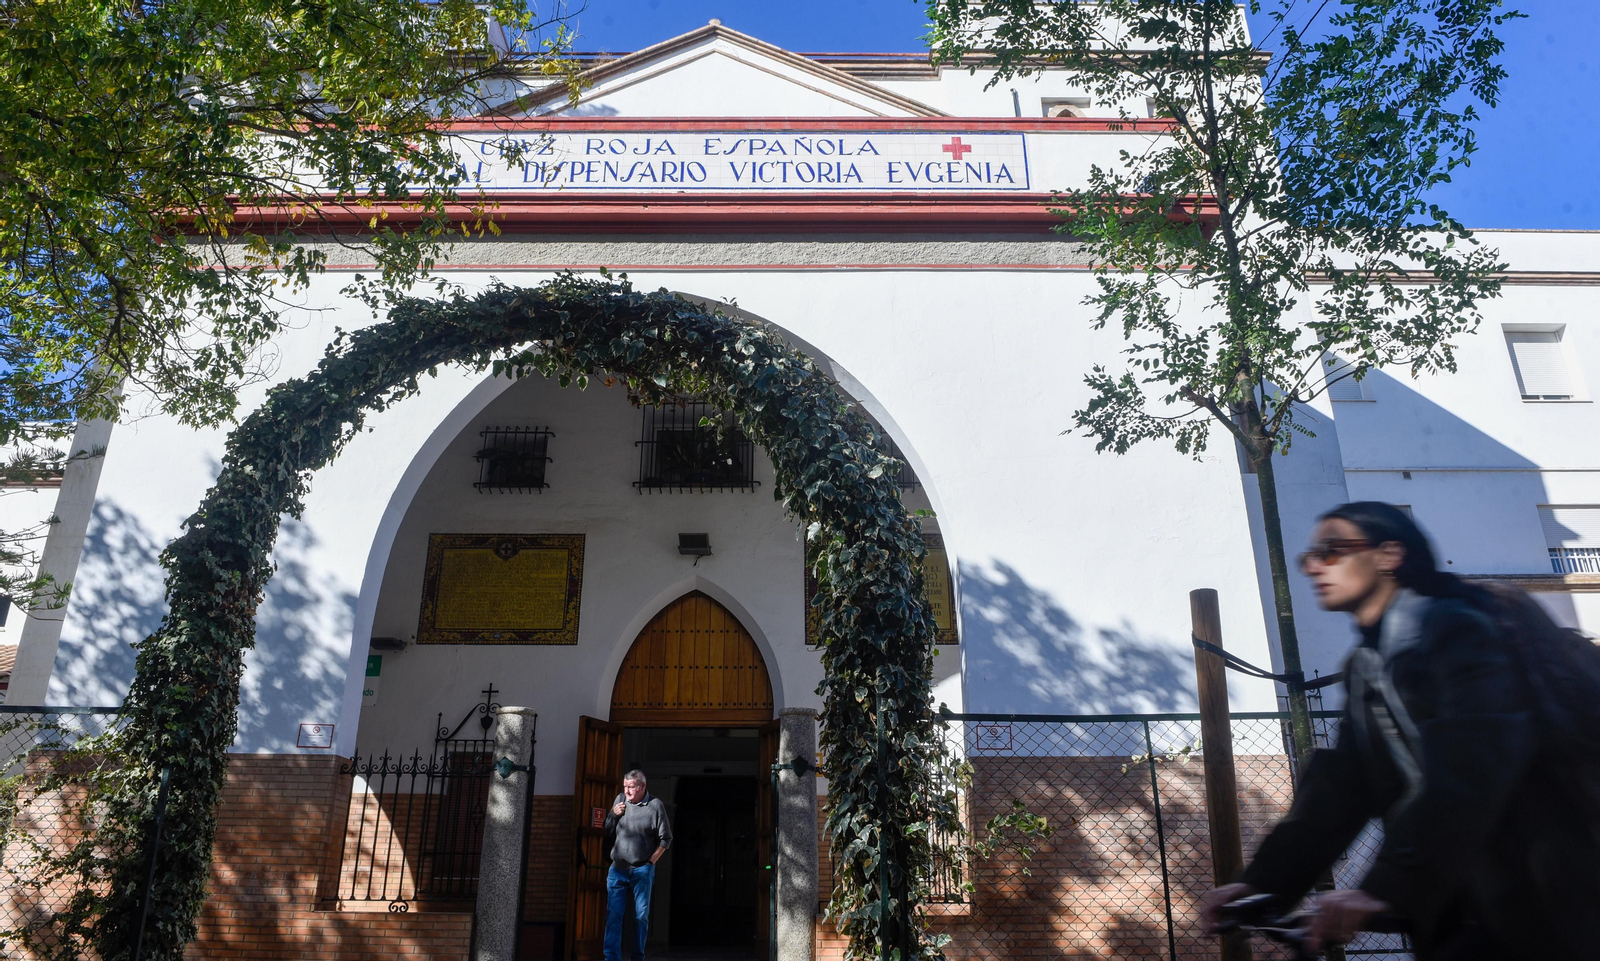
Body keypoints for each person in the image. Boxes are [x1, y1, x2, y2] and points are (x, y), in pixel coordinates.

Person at [1200, 501, 1600, 960]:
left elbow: (1472, 766)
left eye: (1332, 551)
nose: (1313, 566)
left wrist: (1382, 886)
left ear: (1389, 555)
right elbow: (1343, 786)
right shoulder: (1369, 663)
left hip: (1547, 891)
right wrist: (1262, 883)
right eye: (1309, 556)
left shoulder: (1459, 630)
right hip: (1463, 900)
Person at [603, 769, 673, 961]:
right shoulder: (620, 800)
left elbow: (666, 839)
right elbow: (607, 830)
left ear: (642, 786)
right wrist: (613, 814)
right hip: (618, 870)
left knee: (640, 917)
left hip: (641, 870)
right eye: (625, 786)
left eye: (631, 787)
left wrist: (650, 862)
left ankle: (637, 957)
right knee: (614, 915)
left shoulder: (655, 805)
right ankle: (611, 958)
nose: (627, 791)